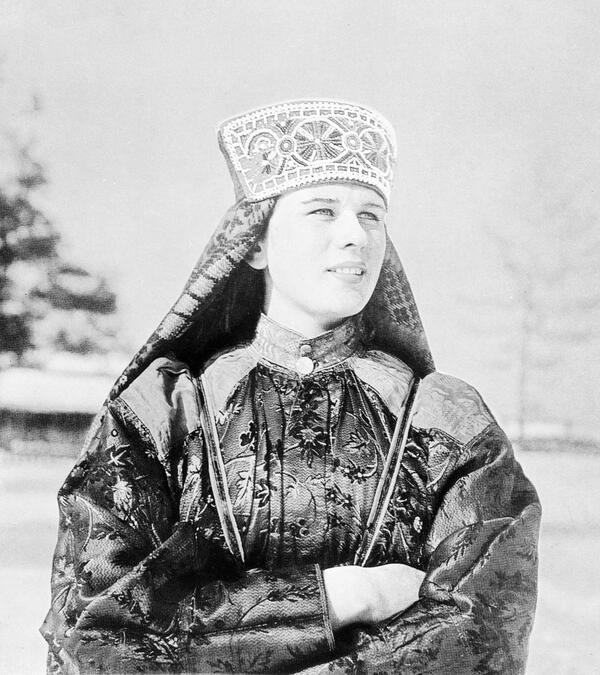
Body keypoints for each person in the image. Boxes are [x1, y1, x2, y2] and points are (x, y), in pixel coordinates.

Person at [41, 99, 540, 674]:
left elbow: (483, 631)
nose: (354, 235)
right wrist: (347, 595)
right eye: (322, 210)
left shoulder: (446, 419)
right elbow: (94, 629)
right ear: (254, 242)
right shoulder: (164, 411)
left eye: (372, 215)